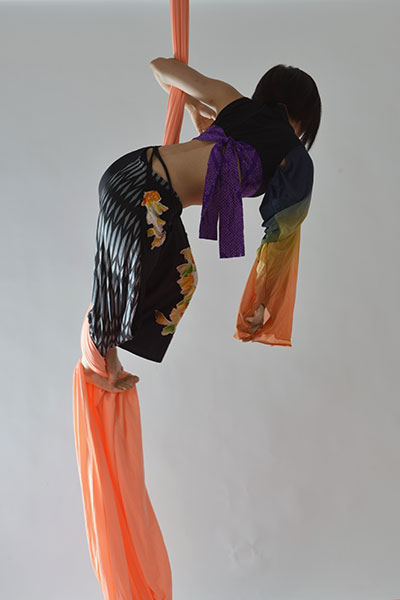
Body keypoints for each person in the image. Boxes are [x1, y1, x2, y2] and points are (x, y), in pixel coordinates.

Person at [81, 58, 321, 393]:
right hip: (147, 197)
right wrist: (262, 303)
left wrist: (195, 107)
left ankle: (103, 350)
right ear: (306, 118)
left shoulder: (232, 101)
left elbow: (161, 68)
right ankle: (100, 359)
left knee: (181, 279)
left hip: (131, 171)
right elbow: (280, 238)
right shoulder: (293, 157)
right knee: (132, 277)